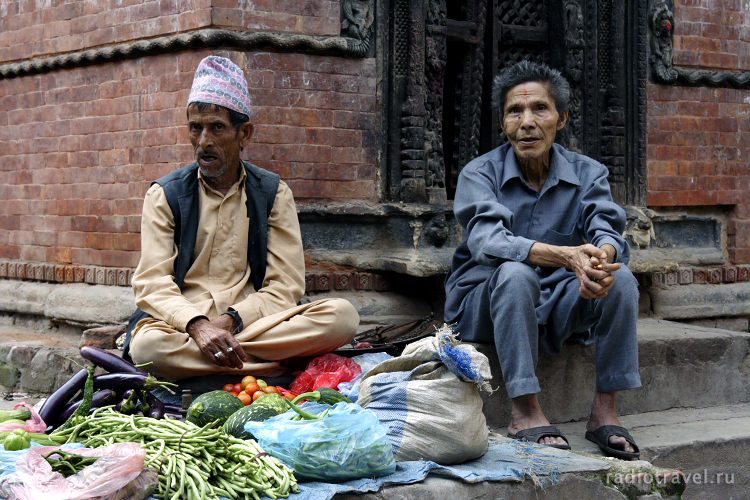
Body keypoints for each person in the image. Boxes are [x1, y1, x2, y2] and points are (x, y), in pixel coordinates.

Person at [444, 60, 641, 460]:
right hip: (486, 301)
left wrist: (598, 259)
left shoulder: (588, 172)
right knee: (516, 273)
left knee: (620, 278)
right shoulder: (479, 173)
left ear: (562, 118)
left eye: (540, 110)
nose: (527, 122)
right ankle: (525, 410)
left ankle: (605, 411)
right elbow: (486, 240)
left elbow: (608, 228)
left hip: (555, 300)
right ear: (503, 122)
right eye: (515, 111)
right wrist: (567, 256)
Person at [123, 56, 360, 381]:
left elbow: (286, 285)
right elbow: (152, 283)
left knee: (342, 317)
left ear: (244, 134)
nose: (204, 141)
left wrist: (232, 320)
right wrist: (198, 326)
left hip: (254, 321)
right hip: (183, 327)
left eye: (217, 128)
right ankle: (274, 367)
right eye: (196, 128)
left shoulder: (273, 194)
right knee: (148, 348)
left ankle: (220, 362)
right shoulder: (165, 195)